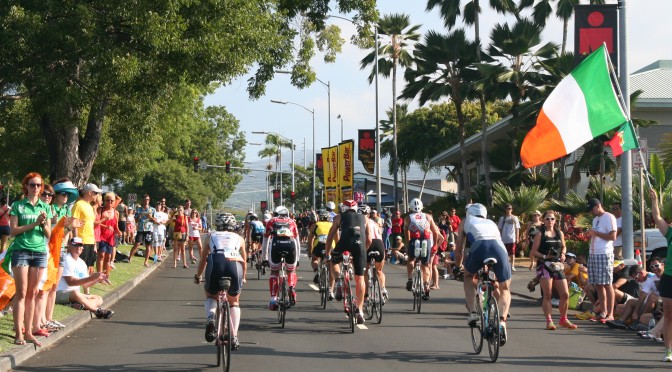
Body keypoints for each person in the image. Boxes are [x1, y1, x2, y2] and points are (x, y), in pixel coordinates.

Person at [4, 172, 52, 346]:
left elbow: (49, 234)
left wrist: (44, 223)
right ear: (26, 186)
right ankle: (19, 333)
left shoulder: (45, 207)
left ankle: (30, 331)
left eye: (39, 185)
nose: (36, 188)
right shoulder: (18, 205)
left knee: (33, 293)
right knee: (21, 292)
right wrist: (34, 223)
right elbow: (13, 231)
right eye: (33, 185)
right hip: (21, 250)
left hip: (39, 251)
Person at [454, 203, 512, 345]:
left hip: (480, 246)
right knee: (505, 288)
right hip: (498, 247)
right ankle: (502, 322)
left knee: (468, 277)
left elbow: (459, 249)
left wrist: (457, 266)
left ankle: (473, 312)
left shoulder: (465, 221)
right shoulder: (491, 222)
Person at [195, 213, 246, 350]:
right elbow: (244, 261)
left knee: (211, 295)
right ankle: (234, 335)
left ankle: (211, 318)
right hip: (234, 265)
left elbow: (203, 260)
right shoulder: (239, 238)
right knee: (234, 302)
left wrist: (198, 275)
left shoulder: (210, 236)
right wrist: (244, 277)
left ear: (217, 225)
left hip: (215, 262)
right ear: (233, 226)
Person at [530, 210, 577, 330]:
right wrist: (546, 257)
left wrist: (563, 254)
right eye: (547, 219)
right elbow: (533, 252)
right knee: (548, 295)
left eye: (552, 219)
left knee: (565, 294)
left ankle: (563, 319)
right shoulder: (540, 234)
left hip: (557, 266)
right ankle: (549, 320)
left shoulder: (559, 233)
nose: (550, 221)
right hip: (544, 265)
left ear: (555, 221)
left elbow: (564, 246)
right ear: (543, 220)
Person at [325, 200, 368, 324]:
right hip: (360, 246)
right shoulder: (363, 217)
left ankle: (338, 281)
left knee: (334, 261)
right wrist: (363, 252)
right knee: (360, 279)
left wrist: (328, 253)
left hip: (344, 243)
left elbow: (330, 236)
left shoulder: (339, 217)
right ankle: (359, 310)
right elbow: (369, 237)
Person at [55, 237, 113, 319]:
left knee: (98, 298)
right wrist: (91, 278)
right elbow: (70, 282)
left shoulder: (82, 263)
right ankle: (97, 311)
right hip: (60, 292)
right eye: (76, 245)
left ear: (83, 247)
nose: (79, 247)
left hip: (76, 295)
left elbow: (86, 285)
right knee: (75, 292)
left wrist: (97, 279)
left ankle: (81, 305)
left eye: (81, 245)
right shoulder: (66, 260)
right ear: (70, 246)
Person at [404, 199, 444, 300]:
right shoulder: (428, 217)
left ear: (410, 207)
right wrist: (435, 245)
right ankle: (426, 284)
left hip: (414, 240)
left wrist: (408, 244)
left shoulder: (408, 218)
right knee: (425, 265)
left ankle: (410, 279)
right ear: (422, 207)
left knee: (411, 260)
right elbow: (435, 232)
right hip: (426, 241)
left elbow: (406, 233)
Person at [649, 188, 672, 362]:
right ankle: (668, 351)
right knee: (669, 316)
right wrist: (654, 200)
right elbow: (657, 219)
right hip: (669, 278)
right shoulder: (671, 233)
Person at [262, 206, 300, 310]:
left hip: (276, 245)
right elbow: (297, 241)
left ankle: (273, 299)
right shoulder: (292, 222)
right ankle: (291, 287)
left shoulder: (271, 221)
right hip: (291, 245)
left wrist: (264, 258)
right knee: (291, 271)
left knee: (274, 272)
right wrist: (298, 258)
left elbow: (265, 241)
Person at [586, 198, 617, 323]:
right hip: (593, 253)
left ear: (598, 206)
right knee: (598, 284)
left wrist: (596, 233)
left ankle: (610, 313)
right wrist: (591, 234)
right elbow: (596, 233)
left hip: (604, 253)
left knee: (607, 284)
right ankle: (603, 312)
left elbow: (613, 236)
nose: (592, 211)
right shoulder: (595, 219)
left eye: (593, 208)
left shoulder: (609, 217)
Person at [71, 183, 103, 277]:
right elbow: (74, 223)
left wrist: (94, 244)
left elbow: (90, 226)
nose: (97, 195)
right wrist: (76, 241)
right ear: (89, 193)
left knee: (88, 268)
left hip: (90, 241)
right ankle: (76, 290)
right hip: (82, 241)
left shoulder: (90, 206)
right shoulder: (78, 205)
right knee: (79, 268)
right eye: (95, 193)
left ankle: (86, 291)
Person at [364, 205, 388, 301]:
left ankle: (366, 294)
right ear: (369, 215)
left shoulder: (360, 222)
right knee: (379, 271)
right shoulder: (374, 223)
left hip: (368, 243)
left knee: (364, 271)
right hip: (379, 243)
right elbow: (380, 236)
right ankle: (382, 289)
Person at [307, 210, 332, 288]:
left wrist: (310, 252)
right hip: (330, 245)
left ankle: (316, 271)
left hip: (319, 244)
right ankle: (331, 288)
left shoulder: (315, 225)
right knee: (331, 264)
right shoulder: (332, 225)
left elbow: (310, 239)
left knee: (314, 259)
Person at [98, 192, 122, 274]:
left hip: (110, 237)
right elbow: (96, 222)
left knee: (108, 257)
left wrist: (119, 232)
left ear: (114, 202)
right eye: (108, 200)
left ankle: (106, 274)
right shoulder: (100, 210)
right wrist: (105, 226)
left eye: (112, 201)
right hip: (101, 236)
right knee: (101, 256)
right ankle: (99, 274)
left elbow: (116, 225)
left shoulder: (116, 212)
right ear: (104, 201)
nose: (110, 202)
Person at [129, 194, 156, 264]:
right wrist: (140, 215)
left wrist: (150, 217)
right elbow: (136, 220)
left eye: (148, 199)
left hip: (149, 229)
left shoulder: (153, 210)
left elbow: (155, 221)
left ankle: (146, 261)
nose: (146, 201)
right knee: (137, 244)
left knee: (148, 245)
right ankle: (129, 257)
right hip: (140, 229)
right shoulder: (139, 209)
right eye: (145, 199)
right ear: (142, 200)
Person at [497, 204, 520, 272]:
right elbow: (500, 229)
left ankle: (512, 265)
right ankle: (505, 265)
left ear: (512, 209)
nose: (509, 210)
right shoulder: (502, 218)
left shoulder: (514, 218)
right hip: (504, 239)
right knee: (504, 253)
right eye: (507, 208)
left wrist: (517, 238)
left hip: (512, 238)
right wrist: (499, 237)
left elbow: (517, 228)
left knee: (512, 252)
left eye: (510, 209)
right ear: (505, 209)